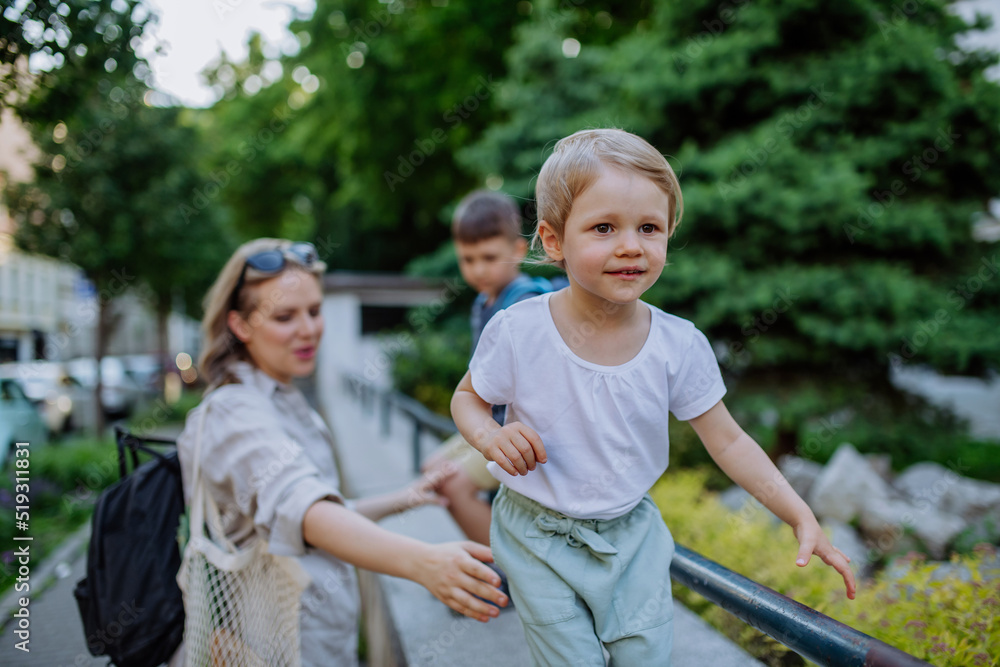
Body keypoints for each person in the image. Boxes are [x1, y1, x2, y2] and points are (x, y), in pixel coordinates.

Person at [450, 129, 856, 665]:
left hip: (632, 537)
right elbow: (468, 398)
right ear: (553, 241)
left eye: (649, 227)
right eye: (603, 227)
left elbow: (729, 441)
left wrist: (800, 514)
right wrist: (489, 434)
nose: (630, 245)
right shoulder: (519, 329)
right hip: (535, 534)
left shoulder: (678, 345)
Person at [176, 238, 507, 667]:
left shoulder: (282, 396)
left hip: (317, 641)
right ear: (240, 325)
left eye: (314, 311)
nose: (308, 329)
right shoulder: (233, 413)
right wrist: (422, 561)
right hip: (272, 648)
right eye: (283, 316)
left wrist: (405, 499)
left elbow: (322, 511)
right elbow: (304, 511)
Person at [422, 189, 560, 546]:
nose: (478, 269)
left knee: (452, 484)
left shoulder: (526, 301)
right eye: (468, 260)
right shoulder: (485, 301)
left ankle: (508, 570)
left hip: (521, 430)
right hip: (492, 422)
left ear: (517, 250)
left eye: (488, 257)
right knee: (432, 470)